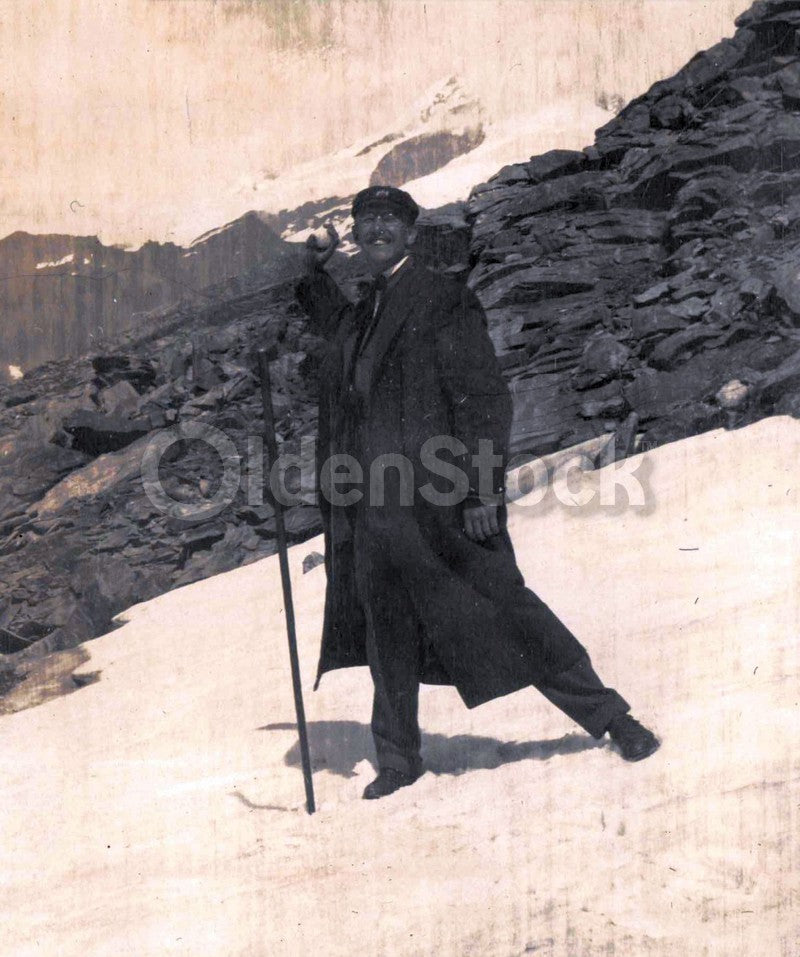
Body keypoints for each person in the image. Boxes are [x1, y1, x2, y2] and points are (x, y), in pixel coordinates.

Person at [295, 185, 659, 801]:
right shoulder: (362, 312)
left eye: (389, 220)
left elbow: (485, 398)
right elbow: (332, 328)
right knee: (388, 632)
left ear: (412, 233)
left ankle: (612, 719)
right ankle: (398, 757)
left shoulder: (442, 299)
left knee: (506, 608)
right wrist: (312, 270)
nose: (376, 229)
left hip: (441, 500)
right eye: (366, 221)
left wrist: (484, 490)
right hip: (374, 506)